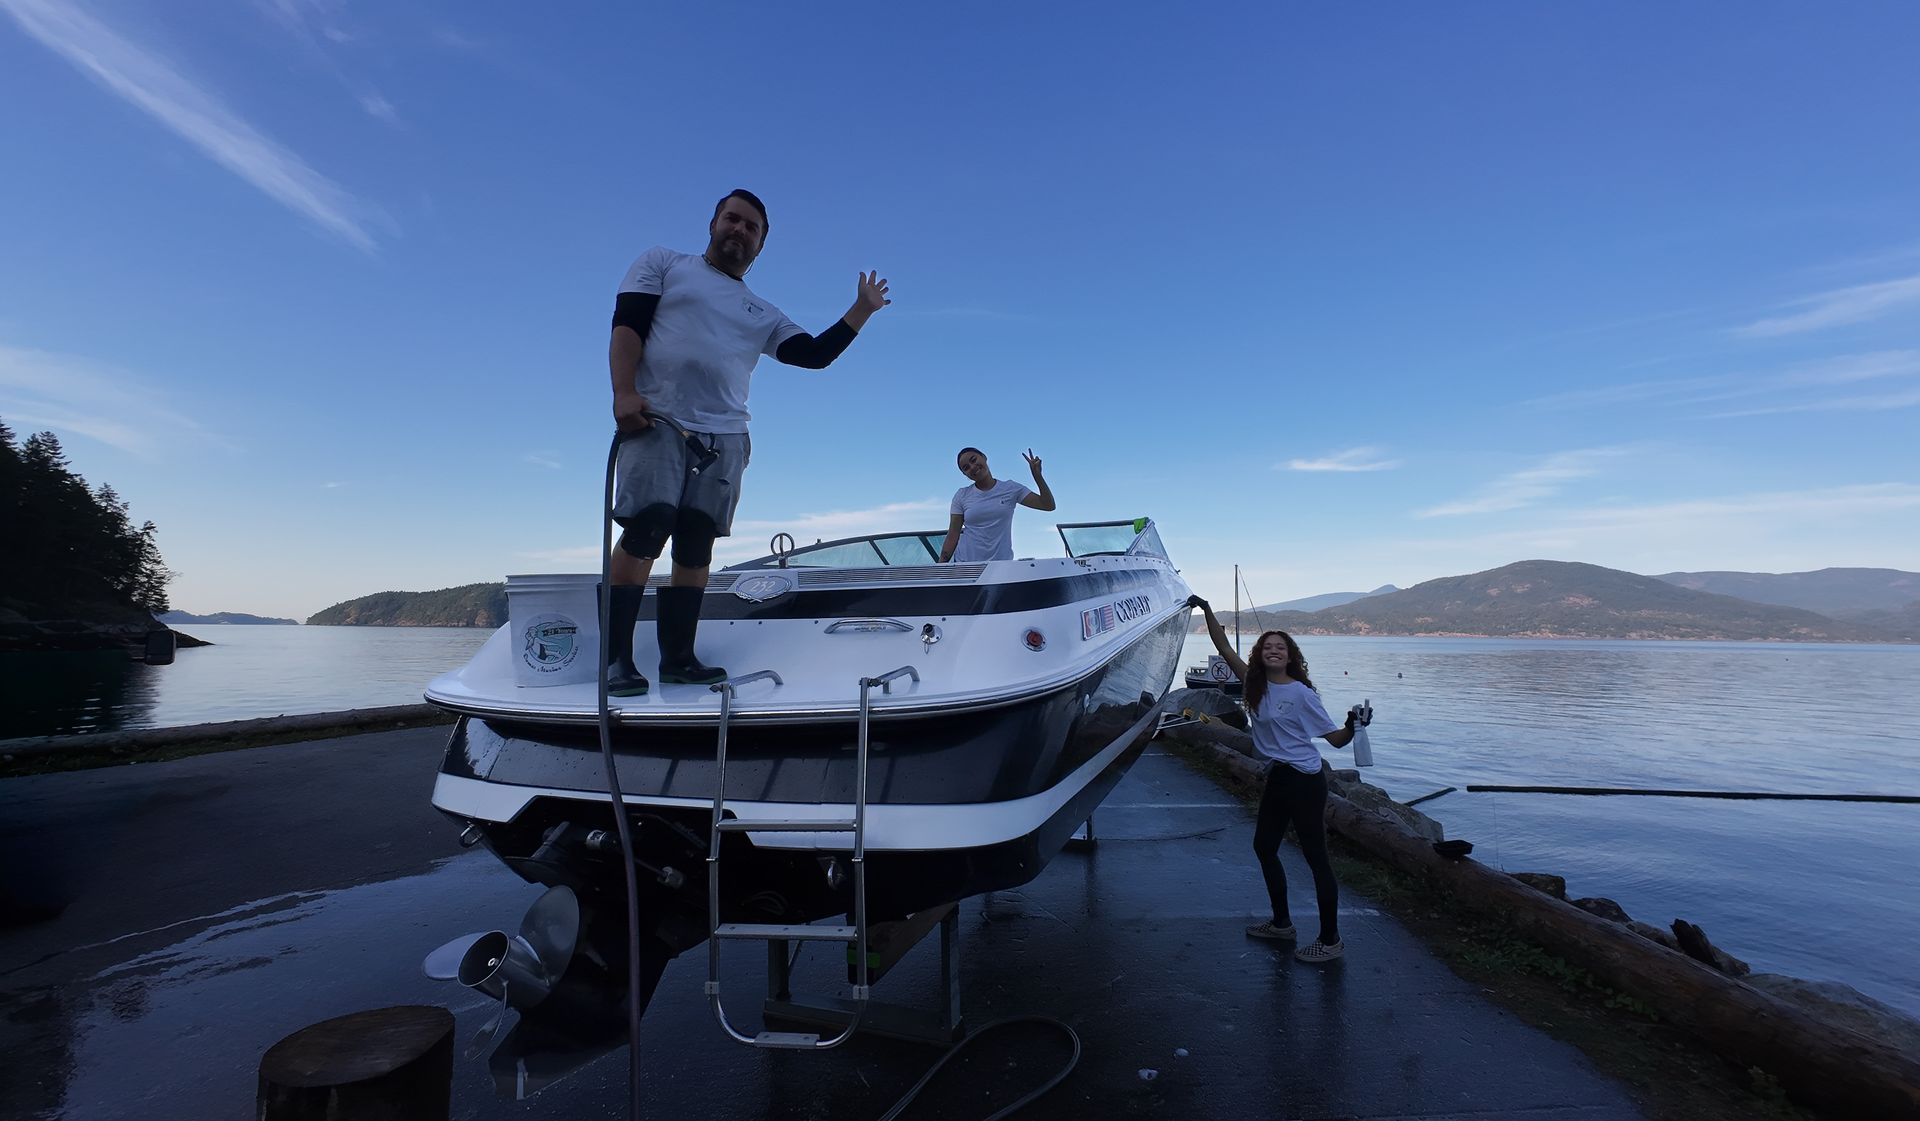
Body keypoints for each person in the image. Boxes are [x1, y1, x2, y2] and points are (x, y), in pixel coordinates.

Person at [604, 189, 891, 695]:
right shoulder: (664, 263)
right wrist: (624, 392)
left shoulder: (764, 312)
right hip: (658, 419)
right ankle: (616, 662)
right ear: (713, 223)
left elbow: (813, 355)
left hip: (726, 435)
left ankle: (679, 659)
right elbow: (628, 323)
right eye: (732, 220)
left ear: (761, 245)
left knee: (696, 542)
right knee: (647, 528)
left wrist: (861, 310)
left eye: (751, 227)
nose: (739, 230)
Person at [1189, 594, 1371, 963]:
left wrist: (1352, 726)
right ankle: (1282, 923)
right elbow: (1223, 647)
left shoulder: (1302, 694)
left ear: (1290, 656)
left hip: (1305, 780)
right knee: (1264, 847)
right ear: (1259, 655)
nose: (1274, 650)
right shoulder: (1253, 684)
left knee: (1316, 858)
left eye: (1281, 647)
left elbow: (1335, 740)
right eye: (1267, 646)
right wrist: (1206, 608)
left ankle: (1331, 939)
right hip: (1279, 777)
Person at [937, 447, 1055, 563]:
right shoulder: (961, 495)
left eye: (973, 460)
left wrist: (1038, 476)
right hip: (966, 565)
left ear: (984, 457)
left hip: (1000, 567)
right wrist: (939, 567)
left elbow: (1047, 505)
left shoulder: (1011, 488)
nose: (972, 467)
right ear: (965, 474)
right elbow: (953, 534)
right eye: (966, 468)